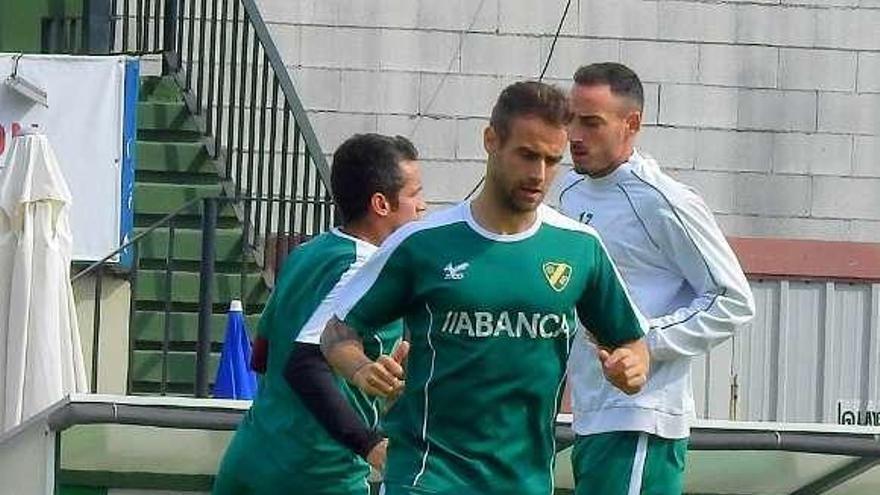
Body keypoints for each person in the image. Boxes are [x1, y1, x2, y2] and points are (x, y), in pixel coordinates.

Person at [320, 81, 650, 495]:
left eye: (552, 160)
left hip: (525, 482)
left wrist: (632, 369)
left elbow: (631, 342)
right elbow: (337, 332)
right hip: (426, 478)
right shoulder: (422, 243)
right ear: (491, 140)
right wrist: (362, 369)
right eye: (527, 155)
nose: (539, 174)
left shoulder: (579, 247)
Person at [555, 62, 756, 495]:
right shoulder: (568, 192)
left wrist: (645, 344)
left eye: (591, 123)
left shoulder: (664, 200)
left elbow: (732, 299)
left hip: (642, 418)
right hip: (590, 415)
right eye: (570, 118)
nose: (574, 135)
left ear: (632, 124)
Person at [213, 133, 427, 495]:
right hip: (316, 473)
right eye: (415, 194)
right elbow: (303, 363)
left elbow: (263, 355)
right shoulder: (366, 267)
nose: (423, 205)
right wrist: (369, 443)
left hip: (249, 460)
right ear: (381, 204)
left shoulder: (306, 254)